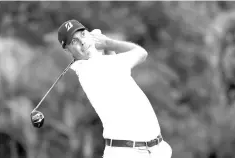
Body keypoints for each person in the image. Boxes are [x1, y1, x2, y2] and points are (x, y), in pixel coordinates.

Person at [58, 19, 172, 158]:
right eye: (74, 41)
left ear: (88, 34)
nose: (81, 42)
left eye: (82, 34)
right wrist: (107, 42)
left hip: (155, 150)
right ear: (67, 49)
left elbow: (110, 63)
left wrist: (104, 45)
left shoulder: (104, 63)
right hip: (128, 152)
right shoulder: (88, 69)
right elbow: (141, 53)